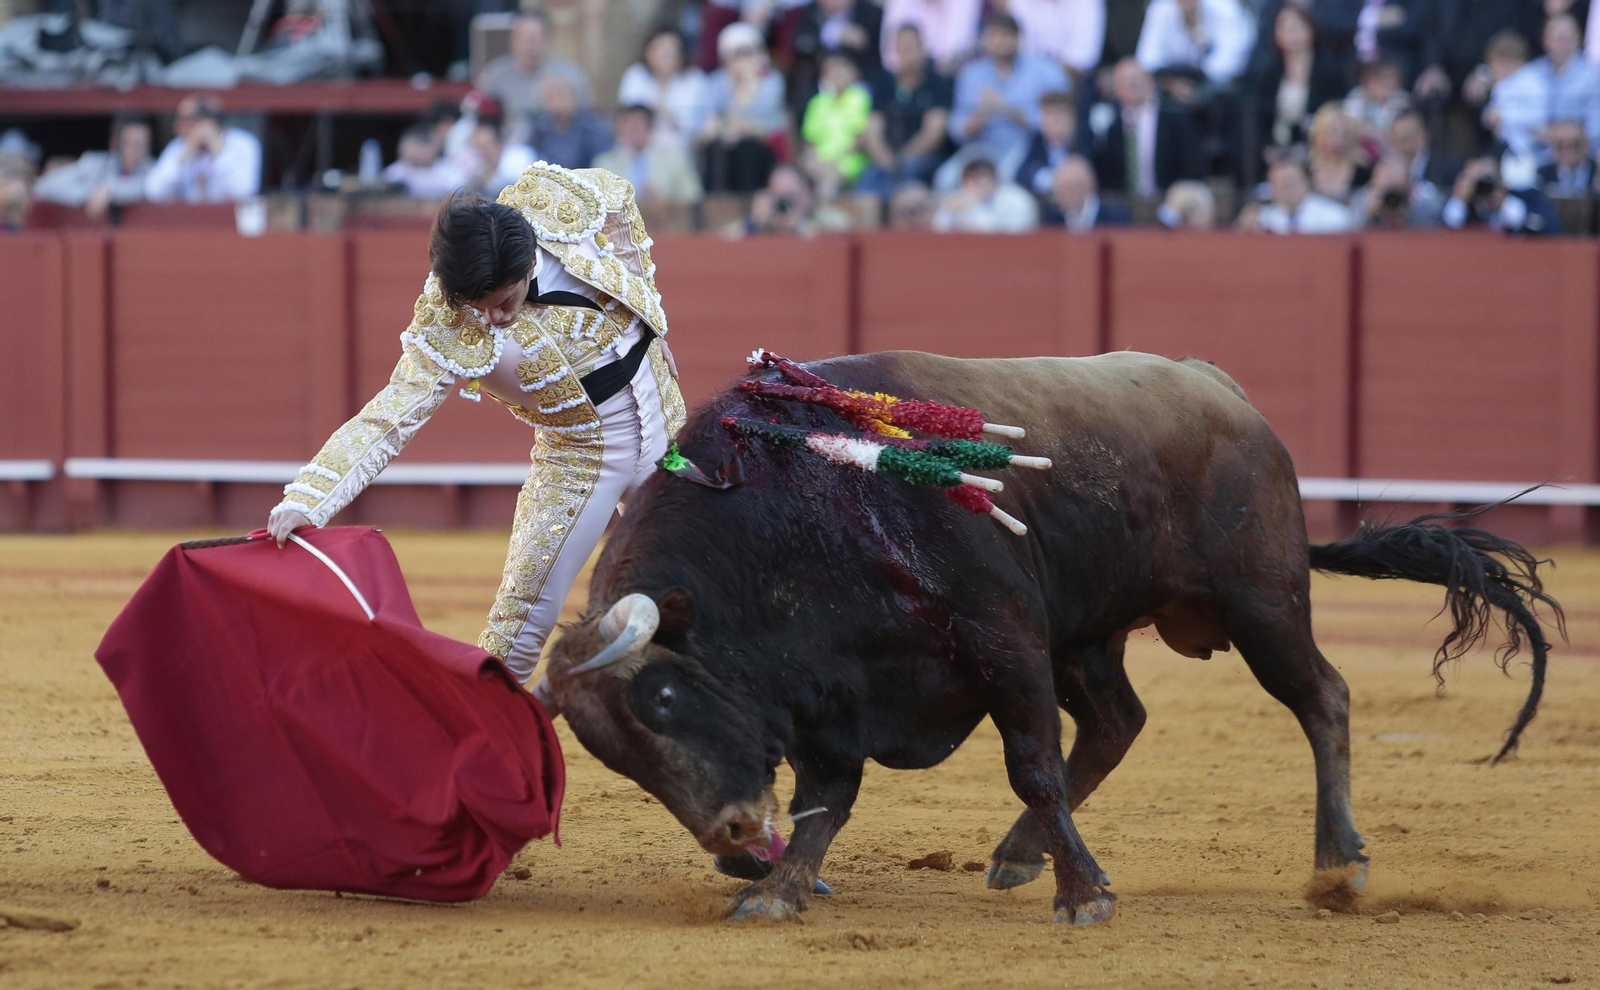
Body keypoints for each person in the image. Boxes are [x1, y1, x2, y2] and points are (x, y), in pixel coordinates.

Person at [268, 168, 683, 697]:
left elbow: (620, 200)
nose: (493, 319)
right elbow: (390, 416)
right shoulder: (446, 321)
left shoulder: (555, 202)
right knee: (521, 622)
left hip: (663, 413)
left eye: (504, 300)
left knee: (703, 576)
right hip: (579, 457)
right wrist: (309, 500)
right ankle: (482, 733)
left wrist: (651, 315)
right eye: (477, 307)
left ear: (528, 263)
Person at [944, 13, 1070, 187]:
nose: (999, 42)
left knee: (1005, 182)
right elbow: (955, 129)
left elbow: (1059, 119)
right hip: (980, 147)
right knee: (946, 180)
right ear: (984, 39)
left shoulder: (1043, 71)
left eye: (1005, 36)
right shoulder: (971, 74)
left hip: (1025, 148)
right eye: (994, 35)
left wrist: (1005, 108)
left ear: (1019, 39)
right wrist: (979, 116)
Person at [1082, 57, 1202, 198]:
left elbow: (1191, 162)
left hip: (1168, 199)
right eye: (1125, 81)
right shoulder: (1108, 120)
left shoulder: (1174, 115)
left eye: (1137, 79)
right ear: (1116, 88)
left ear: (1150, 81)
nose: (1133, 84)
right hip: (1123, 202)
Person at [856, 25, 953, 196]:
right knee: (866, 183)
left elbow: (933, 133)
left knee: (906, 175)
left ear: (923, 48)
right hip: (886, 158)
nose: (907, 53)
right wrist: (886, 160)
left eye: (911, 47)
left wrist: (902, 158)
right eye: (903, 47)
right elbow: (872, 129)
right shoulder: (883, 84)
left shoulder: (938, 83)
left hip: (923, 158)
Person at [1489, 14, 1600, 158]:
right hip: (1533, 152)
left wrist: (1565, 134)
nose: (1562, 44)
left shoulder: (1592, 76)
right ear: (1546, 40)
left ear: (1578, 39)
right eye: (1557, 38)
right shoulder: (1533, 72)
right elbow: (1501, 102)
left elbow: (1595, 127)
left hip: (1578, 156)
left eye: (1567, 38)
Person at [698, 21, 789, 192]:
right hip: (727, 146)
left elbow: (766, 129)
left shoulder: (772, 81)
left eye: (749, 53)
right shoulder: (716, 82)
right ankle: (716, 200)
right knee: (715, 148)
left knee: (745, 148)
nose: (744, 60)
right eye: (738, 54)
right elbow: (708, 126)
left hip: (764, 148)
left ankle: (748, 199)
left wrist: (747, 84)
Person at [477, 11, 593, 144]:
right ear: (512, 40)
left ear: (547, 40)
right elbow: (481, 119)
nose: (529, 45)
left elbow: (586, 120)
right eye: (524, 38)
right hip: (508, 146)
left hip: (556, 145)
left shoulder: (570, 75)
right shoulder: (495, 76)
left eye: (535, 38)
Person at [1252, 5, 1346, 153]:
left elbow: (1335, 112)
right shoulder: (1269, 73)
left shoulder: (1329, 71)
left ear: (1311, 30)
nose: (1293, 34)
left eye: (1297, 27)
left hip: (1319, 150)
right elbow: (1260, 120)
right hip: (1277, 148)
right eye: (1286, 28)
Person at [144, 95, 261, 203]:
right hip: (187, 217)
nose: (177, 127)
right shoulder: (179, 146)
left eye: (184, 120)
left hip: (228, 217)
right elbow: (153, 192)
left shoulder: (242, 144)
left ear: (207, 122)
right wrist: (186, 154)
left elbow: (243, 192)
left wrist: (218, 152)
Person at [33, 113, 152, 217]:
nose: (140, 152)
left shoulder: (151, 169)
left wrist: (110, 190)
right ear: (115, 145)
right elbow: (44, 186)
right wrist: (88, 194)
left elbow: (147, 187)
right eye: (134, 144)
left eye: (144, 145)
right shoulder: (94, 164)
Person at [616, 29, 708, 152]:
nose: (665, 55)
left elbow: (696, 131)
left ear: (681, 55)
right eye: (659, 49)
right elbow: (627, 119)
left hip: (679, 151)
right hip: (638, 150)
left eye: (670, 51)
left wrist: (667, 113)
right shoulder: (636, 75)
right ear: (648, 52)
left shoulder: (694, 80)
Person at [592, 105, 704, 206]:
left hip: (666, 219)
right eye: (629, 127)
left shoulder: (674, 159)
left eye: (638, 126)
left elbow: (693, 196)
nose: (634, 132)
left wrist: (664, 202)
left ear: (650, 128)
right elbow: (595, 203)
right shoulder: (604, 164)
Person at [800, 51, 873, 195]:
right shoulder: (817, 102)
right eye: (832, 71)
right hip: (820, 161)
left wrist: (833, 160)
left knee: (829, 178)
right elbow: (809, 140)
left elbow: (861, 138)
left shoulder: (861, 98)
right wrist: (812, 159)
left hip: (848, 161)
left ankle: (823, 207)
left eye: (842, 69)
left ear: (853, 73)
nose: (837, 74)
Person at [790, 0, 884, 112]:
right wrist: (835, 34)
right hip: (818, 81)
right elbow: (802, 45)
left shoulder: (871, 13)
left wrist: (852, 70)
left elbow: (878, 59)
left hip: (861, 81)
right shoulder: (809, 11)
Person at [1135, 0, 1254, 85]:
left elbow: (1229, 63)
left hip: (1212, 83)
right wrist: (1171, 83)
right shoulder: (1160, 9)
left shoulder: (1225, 8)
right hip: (1170, 81)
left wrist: (1198, 35)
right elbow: (1147, 58)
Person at [1443, 154, 1560, 233]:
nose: (1483, 186)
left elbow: (1547, 228)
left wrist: (1502, 202)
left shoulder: (1529, 198)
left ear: (1501, 179)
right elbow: (1447, 229)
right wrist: (1459, 199)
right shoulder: (1465, 203)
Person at [996, 0, 1107, 75]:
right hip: (1027, 73)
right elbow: (1019, 43)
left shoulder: (1087, 2)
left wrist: (1051, 76)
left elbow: (1084, 54)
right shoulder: (1020, 2)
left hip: (1074, 76)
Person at [526, 76, 614, 171]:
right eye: (549, 97)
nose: (555, 101)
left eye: (560, 95)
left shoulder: (592, 126)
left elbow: (601, 161)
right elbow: (531, 154)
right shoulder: (542, 126)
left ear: (573, 96)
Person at [1244, 157, 1353, 233]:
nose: (1286, 189)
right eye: (1278, 184)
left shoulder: (1334, 215)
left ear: (1307, 183)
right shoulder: (1263, 219)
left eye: (1290, 182)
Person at [932, 157, 1038, 231]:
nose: (973, 187)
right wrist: (948, 211)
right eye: (968, 182)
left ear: (993, 180)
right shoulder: (963, 199)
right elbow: (938, 229)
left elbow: (1012, 232)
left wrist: (975, 208)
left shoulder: (1017, 199)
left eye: (979, 181)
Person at [881, 0, 984, 74]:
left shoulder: (966, 3)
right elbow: (889, 49)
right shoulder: (899, 3)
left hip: (947, 75)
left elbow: (957, 48)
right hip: (899, 74)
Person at [1348, 154, 1442, 228]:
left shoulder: (1424, 207)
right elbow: (1350, 234)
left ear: (1409, 187)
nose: (1392, 201)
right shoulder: (1362, 201)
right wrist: (1367, 215)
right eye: (1387, 194)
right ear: (1373, 186)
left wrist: (1409, 211)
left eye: (1396, 193)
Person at [1040, 155, 1129, 230]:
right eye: (1061, 191)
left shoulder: (1116, 218)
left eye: (1073, 188)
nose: (1067, 196)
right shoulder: (1051, 220)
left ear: (1091, 186)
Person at [1015, 90, 1079, 196]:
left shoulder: (1085, 141)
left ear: (1072, 119)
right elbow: (1022, 174)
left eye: (1059, 116)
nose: (1053, 122)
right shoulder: (1037, 140)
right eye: (1048, 116)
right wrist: (1047, 179)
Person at [1305, 103, 1371, 205]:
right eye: (1330, 131)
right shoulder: (1304, 171)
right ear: (1318, 134)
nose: (1335, 138)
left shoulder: (1364, 173)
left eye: (1342, 132)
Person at [382, 124, 467, 200]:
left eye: (424, 149)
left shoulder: (448, 168)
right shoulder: (398, 170)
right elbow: (385, 189)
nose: (420, 154)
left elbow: (459, 190)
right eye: (416, 148)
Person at [1386, 109, 1458, 195]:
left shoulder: (1445, 170)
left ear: (1424, 136)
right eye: (1394, 139)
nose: (1398, 145)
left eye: (1405, 139)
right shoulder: (1385, 169)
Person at [465, 115, 538, 198]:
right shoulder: (480, 168)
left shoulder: (520, 155)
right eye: (478, 148)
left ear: (498, 142)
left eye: (485, 146)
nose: (483, 152)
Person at [1342, 58, 1410, 139]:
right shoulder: (1356, 96)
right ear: (1368, 80)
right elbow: (1350, 128)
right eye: (1383, 78)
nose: (1388, 83)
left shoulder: (1403, 99)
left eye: (1391, 77)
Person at [1537, 118, 1598, 194]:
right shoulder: (1543, 175)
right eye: (1560, 146)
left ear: (1586, 144)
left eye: (1576, 145)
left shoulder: (1597, 171)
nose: (1569, 151)